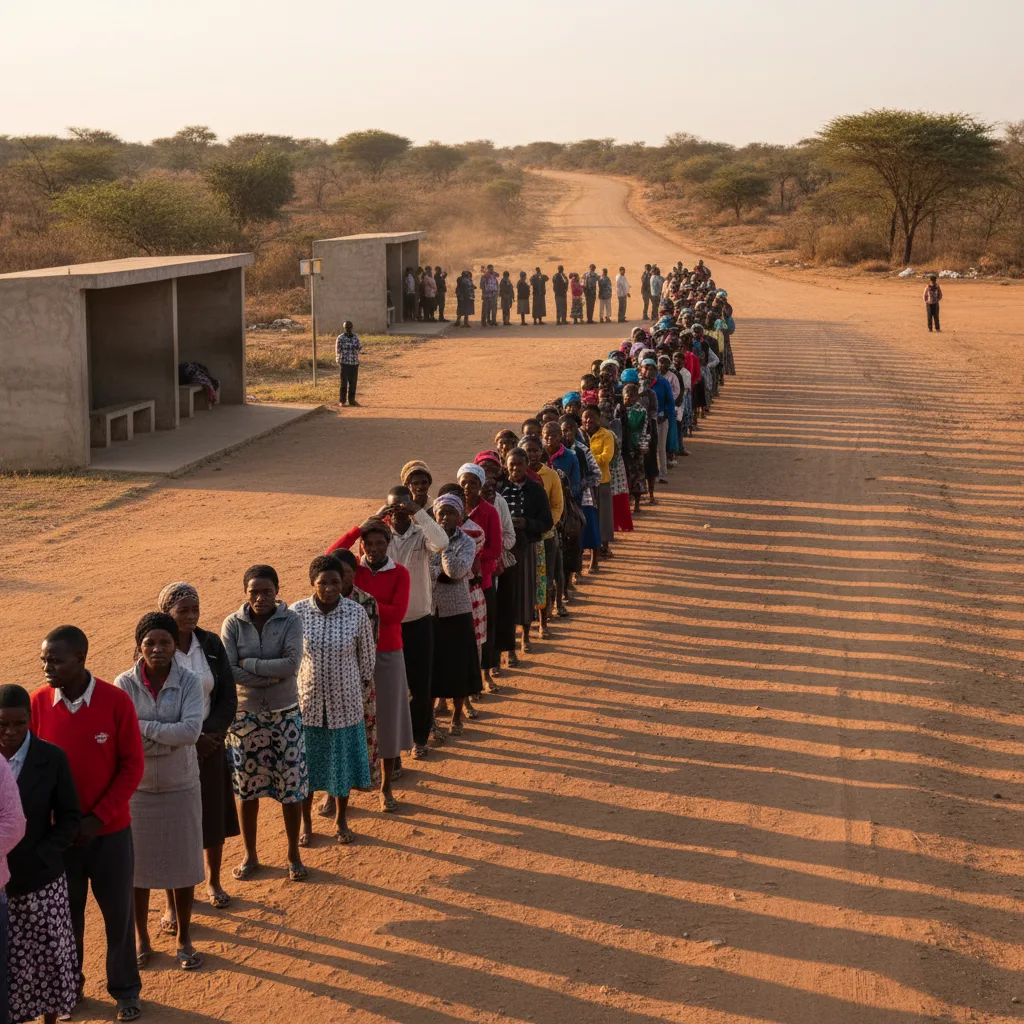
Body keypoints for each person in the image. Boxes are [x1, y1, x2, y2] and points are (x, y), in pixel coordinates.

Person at [32, 624, 144, 1023]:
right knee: (67, 919)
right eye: (44, 659)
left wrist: (98, 818)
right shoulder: (37, 705)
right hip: (61, 839)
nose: (47, 667)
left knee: (118, 915)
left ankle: (125, 990)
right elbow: (30, 772)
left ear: (80, 659)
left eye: (56, 660)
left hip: (109, 833)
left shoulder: (115, 702)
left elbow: (132, 766)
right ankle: (70, 987)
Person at [327, 485, 447, 761]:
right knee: (374, 697)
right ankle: (377, 754)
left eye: (404, 507)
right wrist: (366, 524)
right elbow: (331, 557)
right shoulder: (373, 543)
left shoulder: (420, 533)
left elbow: (441, 544)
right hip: (371, 636)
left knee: (419, 685)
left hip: (415, 620)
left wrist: (418, 513)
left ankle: (419, 738)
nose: (399, 513)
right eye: (394, 508)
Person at [115, 612, 205, 972]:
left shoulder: (190, 680)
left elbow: (190, 733)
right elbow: (123, 737)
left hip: (180, 785)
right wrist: (162, 737)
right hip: (136, 790)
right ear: (139, 645)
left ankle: (184, 937)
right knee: (137, 871)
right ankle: (142, 937)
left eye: (165, 642)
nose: (157, 648)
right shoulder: (123, 683)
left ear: (174, 646)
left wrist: (145, 732)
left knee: (183, 867)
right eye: (150, 642)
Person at [156, 582, 239, 923]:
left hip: (210, 746)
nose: (190, 616)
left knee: (212, 813)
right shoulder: (156, 646)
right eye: (182, 610)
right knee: (171, 824)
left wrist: (212, 735)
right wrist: (190, 738)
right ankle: (171, 903)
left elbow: (227, 697)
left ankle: (213, 882)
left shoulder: (211, 644)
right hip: (170, 749)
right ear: (167, 613)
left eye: (195, 609)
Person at [221, 565, 309, 883]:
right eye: (254, 592)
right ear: (246, 593)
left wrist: (252, 665)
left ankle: (292, 854)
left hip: (285, 714)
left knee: (291, 789)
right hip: (244, 719)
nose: (260, 597)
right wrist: (270, 674)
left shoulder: (292, 620)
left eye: (267, 591)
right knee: (247, 790)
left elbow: (292, 664)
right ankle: (250, 855)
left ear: (277, 591)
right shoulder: (232, 623)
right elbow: (229, 670)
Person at [1, 684, 78, 1024]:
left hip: (41, 881)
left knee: (48, 960)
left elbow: (69, 817)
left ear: (30, 720)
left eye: (18, 724)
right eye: (1, 724)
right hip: (3, 885)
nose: (10, 732)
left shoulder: (52, 758)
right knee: (11, 967)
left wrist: (44, 853)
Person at [328, 519, 412, 811]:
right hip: (348, 658)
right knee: (341, 724)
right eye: (367, 543)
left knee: (386, 723)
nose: (373, 549)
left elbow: (396, 614)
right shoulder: (353, 570)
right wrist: (355, 530)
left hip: (387, 653)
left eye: (380, 543)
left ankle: (386, 788)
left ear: (389, 544)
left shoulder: (399, 573)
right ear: (360, 545)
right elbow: (327, 559)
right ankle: (334, 790)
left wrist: (361, 601)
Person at [293, 555, 375, 846]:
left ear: (344, 583)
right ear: (312, 583)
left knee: (340, 766)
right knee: (305, 770)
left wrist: (359, 689)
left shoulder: (356, 613)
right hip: (308, 704)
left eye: (335, 583)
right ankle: (305, 824)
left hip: (345, 703)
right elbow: (291, 658)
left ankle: (341, 819)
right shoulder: (297, 613)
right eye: (322, 583)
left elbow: (367, 659)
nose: (329, 588)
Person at [428, 493, 483, 735]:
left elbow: (456, 571)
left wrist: (444, 547)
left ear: (460, 517)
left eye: (451, 513)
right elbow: (423, 572)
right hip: (430, 612)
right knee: (431, 667)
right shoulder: (425, 539)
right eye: (442, 513)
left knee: (459, 666)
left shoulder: (467, 542)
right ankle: (429, 719)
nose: (446, 517)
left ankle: (456, 716)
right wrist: (440, 571)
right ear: (435, 516)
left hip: (457, 611)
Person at [500, 449, 553, 654]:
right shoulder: (500, 490)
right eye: (511, 464)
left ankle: (526, 636)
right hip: (505, 549)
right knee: (508, 594)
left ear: (526, 466)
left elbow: (546, 522)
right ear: (506, 466)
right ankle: (509, 645)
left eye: (520, 464)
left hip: (528, 546)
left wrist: (526, 523)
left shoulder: (536, 490)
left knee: (526, 592)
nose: (516, 468)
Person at [457, 464, 502, 691]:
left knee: (486, 629)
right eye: (463, 483)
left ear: (480, 485)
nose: (467, 487)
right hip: (456, 585)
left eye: (472, 483)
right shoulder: (451, 511)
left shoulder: (489, 512)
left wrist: (471, 553)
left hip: (482, 581)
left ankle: (486, 673)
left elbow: (496, 548)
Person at [520, 435, 562, 638]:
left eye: (536, 450)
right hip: (522, 538)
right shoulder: (516, 477)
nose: (533, 454)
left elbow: (557, 506)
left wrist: (545, 525)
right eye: (528, 450)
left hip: (545, 535)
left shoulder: (551, 475)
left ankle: (543, 622)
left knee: (544, 579)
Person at [582, 405, 615, 566]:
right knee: (590, 516)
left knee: (604, 515)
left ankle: (605, 547)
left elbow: (606, 457)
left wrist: (587, 458)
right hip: (585, 483)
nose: (588, 420)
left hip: (601, 481)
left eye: (592, 417)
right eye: (585, 417)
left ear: (599, 418)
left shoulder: (606, 435)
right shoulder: (579, 435)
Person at [336, 320, 362, 407]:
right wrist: (340, 360)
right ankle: (342, 401)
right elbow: (338, 350)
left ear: (352, 328)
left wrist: (356, 347)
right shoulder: (340, 338)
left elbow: (359, 347)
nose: (348, 329)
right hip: (344, 363)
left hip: (354, 363)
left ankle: (352, 401)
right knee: (344, 383)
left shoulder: (355, 337)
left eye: (350, 328)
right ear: (344, 328)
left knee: (353, 383)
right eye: (347, 328)